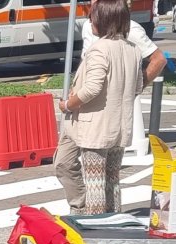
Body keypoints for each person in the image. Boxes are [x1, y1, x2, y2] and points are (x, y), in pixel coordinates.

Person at [56, 0, 166, 214]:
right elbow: (136, 86)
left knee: (95, 182)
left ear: (104, 19)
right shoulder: (132, 49)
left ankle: (96, 230)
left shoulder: (100, 48)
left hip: (94, 126)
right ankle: (114, 223)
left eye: (93, 16)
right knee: (111, 180)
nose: (90, 19)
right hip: (118, 126)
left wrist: (68, 104)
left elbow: (92, 89)